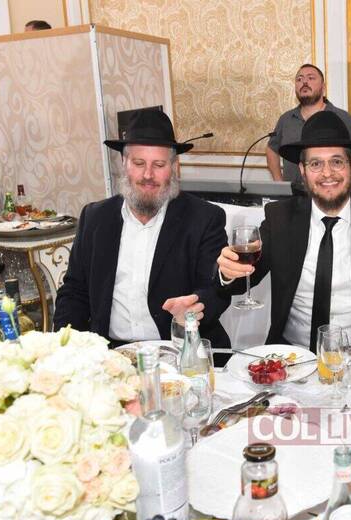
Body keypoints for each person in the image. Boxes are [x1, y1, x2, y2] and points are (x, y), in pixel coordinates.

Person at [216, 110, 351, 366]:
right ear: (302, 171)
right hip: (290, 359)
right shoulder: (280, 217)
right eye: (315, 164)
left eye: (336, 162)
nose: (327, 173)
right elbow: (243, 279)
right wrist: (227, 271)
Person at [54, 109, 231, 347]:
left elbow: (216, 289)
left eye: (159, 164)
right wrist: (64, 347)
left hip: (182, 349)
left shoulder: (204, 218)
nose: (148, 174)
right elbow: (75, 292)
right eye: (139, 163)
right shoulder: (95, 218)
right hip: (111, 353)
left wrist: (195, 305)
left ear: (174, 166)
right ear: (124, 163)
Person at [266, 64, 351, 184]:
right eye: (299, 79)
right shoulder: (286, 119)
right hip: (293, 193)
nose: (304, 82)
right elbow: (272, 149)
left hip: (330, 190)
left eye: (311, 78)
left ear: (323, 87)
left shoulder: (341, 117)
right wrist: (279, 182)